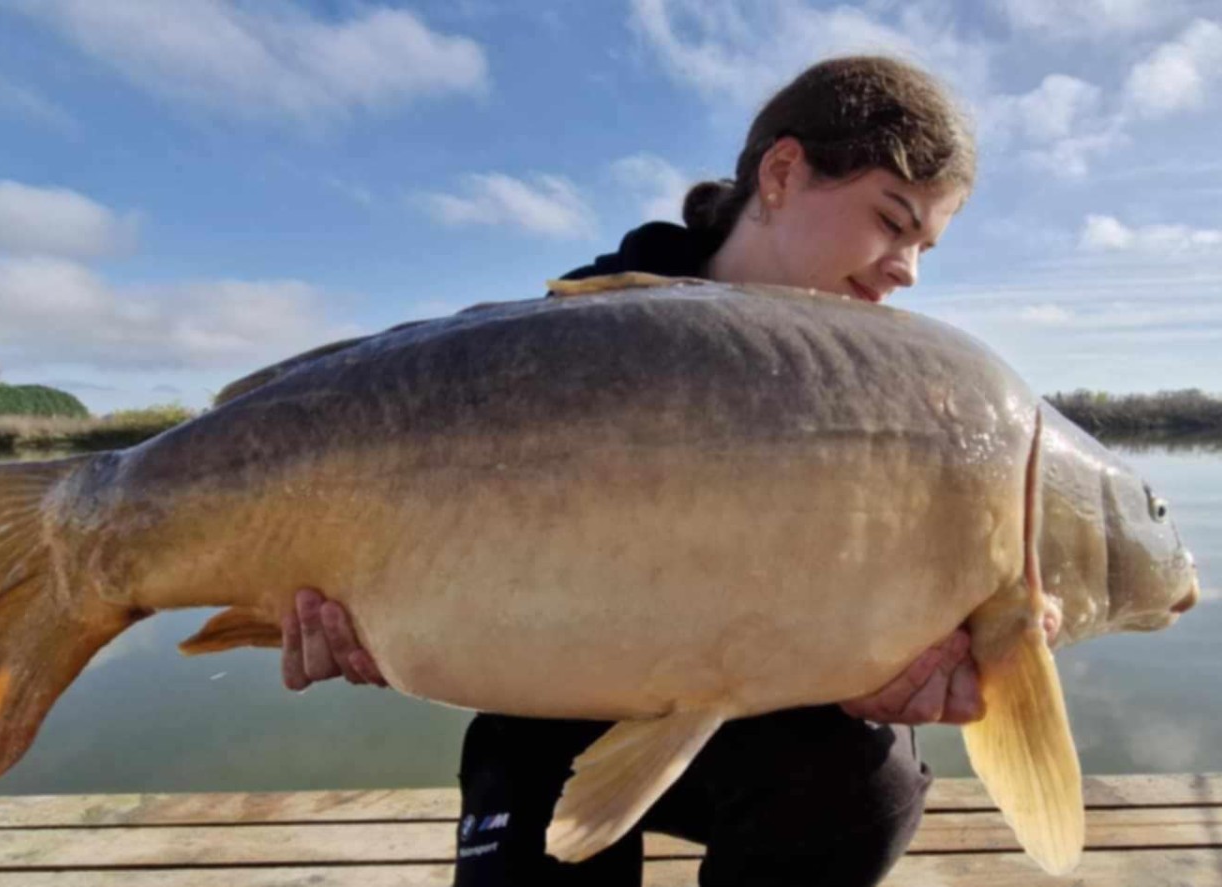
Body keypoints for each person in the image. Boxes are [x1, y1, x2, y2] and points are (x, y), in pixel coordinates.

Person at [281, 55, 981, 886]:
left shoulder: (898, 389)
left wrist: (919, 656)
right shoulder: (573, 334)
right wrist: (379, 623)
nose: (908, 269)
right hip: (547, 703)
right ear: (784, 172)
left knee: (871, 784)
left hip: (763, 712)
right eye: (892, 221)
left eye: (925, 245)